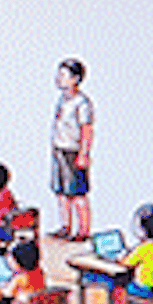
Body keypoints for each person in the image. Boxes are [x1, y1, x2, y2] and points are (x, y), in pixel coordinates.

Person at [49, 56, 98, 241]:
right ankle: (65, 226)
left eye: (63, 75)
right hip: (59, 149)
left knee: (77, 193)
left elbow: (87, 129)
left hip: (73, 151)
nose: (58, 78)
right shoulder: (62, 99)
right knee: (61, 192)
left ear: (75, 79)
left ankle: (83, 230)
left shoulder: (82, 103)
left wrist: (84, 153)